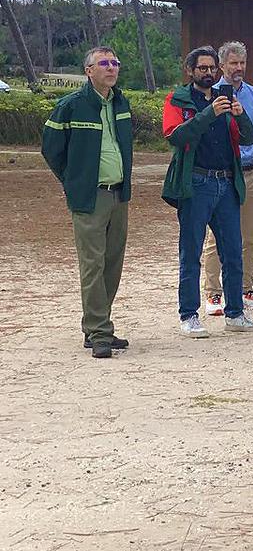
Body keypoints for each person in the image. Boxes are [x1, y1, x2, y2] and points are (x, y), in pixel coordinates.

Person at [163, 46, 253, 338]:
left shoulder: (228, 99)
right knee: (191, 251)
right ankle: (189, 315)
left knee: (233, 251)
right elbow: (175, 136)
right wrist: (208, 113)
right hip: (196, 183)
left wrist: (240, 115)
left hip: (227, 183)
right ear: (190, 71)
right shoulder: (178, 99)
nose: (208, 73)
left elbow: (248, 137)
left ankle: (235, 313)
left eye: (211, 69)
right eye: (202, 68)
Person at [41, 46, 133, 359]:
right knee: (92, 264)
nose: (111, 68)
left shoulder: (121, 103)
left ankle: (95, 325)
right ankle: (100, 333)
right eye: (104, 63)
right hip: (90, 196)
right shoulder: (71, 106)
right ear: (89, 71)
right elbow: (51, 150)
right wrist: (74, 181)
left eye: (115, 63)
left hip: (119, 194)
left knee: (112, 263)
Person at [202, 41, 253, 316]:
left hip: (251, 170)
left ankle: (245, 288)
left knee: (249, 236)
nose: (238, 68)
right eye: (232, 63)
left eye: (242, 63)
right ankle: (214, 293)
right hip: (224, 173)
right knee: (217, 236)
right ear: (221, 66)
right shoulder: (210, 95)